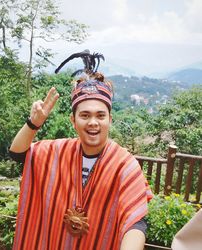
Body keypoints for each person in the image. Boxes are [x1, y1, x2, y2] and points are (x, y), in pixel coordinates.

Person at [10, 51, 153, 250]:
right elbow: (17, 153)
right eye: (85, 115)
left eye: (100, 116)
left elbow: (136, 221)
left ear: (109, 120)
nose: (93, 122)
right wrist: (33, 123)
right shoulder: (57, 152)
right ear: (73, 121)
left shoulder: (124, 165)